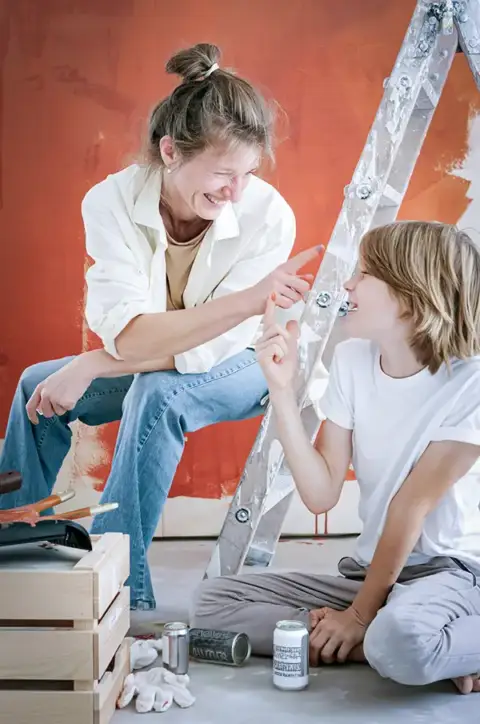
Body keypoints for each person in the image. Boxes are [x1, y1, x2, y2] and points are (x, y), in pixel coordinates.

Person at [0, 43, 322, 610]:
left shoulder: (268, 215)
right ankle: (10, 557)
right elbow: (131, 335)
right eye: (224, 173)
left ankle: (123, 590)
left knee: (157, 392)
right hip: (156, 361)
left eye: (247, 173)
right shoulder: (110, 202)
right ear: (170, 152)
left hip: (254, 361)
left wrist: (99, 360)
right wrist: (107, 354)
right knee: (35, 386)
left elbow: (206, 351)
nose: (236, 192)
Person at [191, 220, 480, 695]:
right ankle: (421, 647)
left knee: (398, 638)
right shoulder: (351, 361)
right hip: (374, 575)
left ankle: (401, 639)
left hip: (448, 574)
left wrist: (360, 615)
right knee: (211, 605)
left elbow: (411, 506)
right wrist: (282, 392)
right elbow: (321, 493)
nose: (347, 284)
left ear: (411, 295)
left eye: (364, 274)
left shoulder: (468, 381)